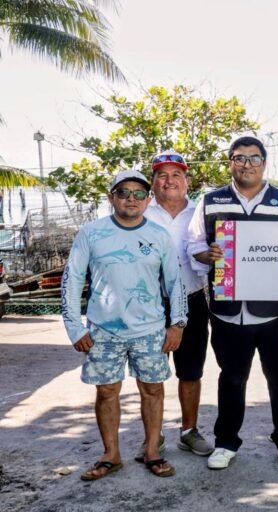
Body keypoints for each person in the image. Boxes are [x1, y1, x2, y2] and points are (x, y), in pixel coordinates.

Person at [188, 136, 278, 470]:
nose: (247, 164)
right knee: (232, 379)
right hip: (228, 311)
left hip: (276, 312)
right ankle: (226, 442)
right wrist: (207, 254)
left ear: (264, 163)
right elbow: (193, 245)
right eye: (240, 158)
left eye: (254, 158)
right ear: (231, 163)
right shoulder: (210, 200)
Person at [61, 169, 186, 480]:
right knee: (106, 391)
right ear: (111, 197)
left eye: (139, 193)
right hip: (103, 331)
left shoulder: (159, 235)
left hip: (150, 330)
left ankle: (152, 451)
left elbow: (175, 282)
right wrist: (75, 327)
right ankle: (110, 455)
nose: (132, 198)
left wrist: (177, 324)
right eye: (123, 192)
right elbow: (72, 279)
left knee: (153, 389)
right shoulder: (91, 233)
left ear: (148, 199)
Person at [142, 150, 214, 459]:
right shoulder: (141, 212)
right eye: (162, 175)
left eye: (176, 174)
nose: (169, 180)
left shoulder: (202, 213)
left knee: (191, 371)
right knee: (150, 372)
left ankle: (189, 431)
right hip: (149, 304)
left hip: (192, 300)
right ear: (153, 182)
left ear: (186, 180)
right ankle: (153, 436)